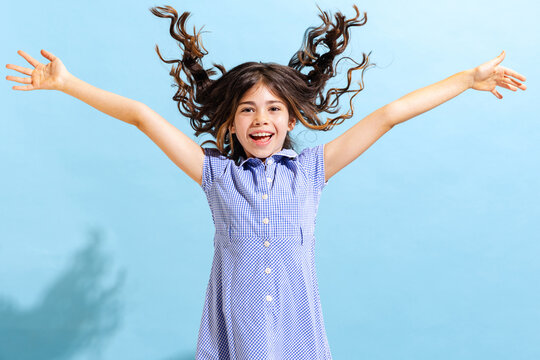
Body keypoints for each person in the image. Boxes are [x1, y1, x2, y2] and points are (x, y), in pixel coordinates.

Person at [5, 4, 526, 359]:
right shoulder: (216, 175)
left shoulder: (311, 172)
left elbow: (389, 114)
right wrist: (68, 83)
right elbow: (142, 116)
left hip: (297, 328)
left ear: (291, 120)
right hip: (238, 330)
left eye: (274, 109)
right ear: (229, 123)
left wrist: (465, 80)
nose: (261, 119)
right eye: (248, 109)